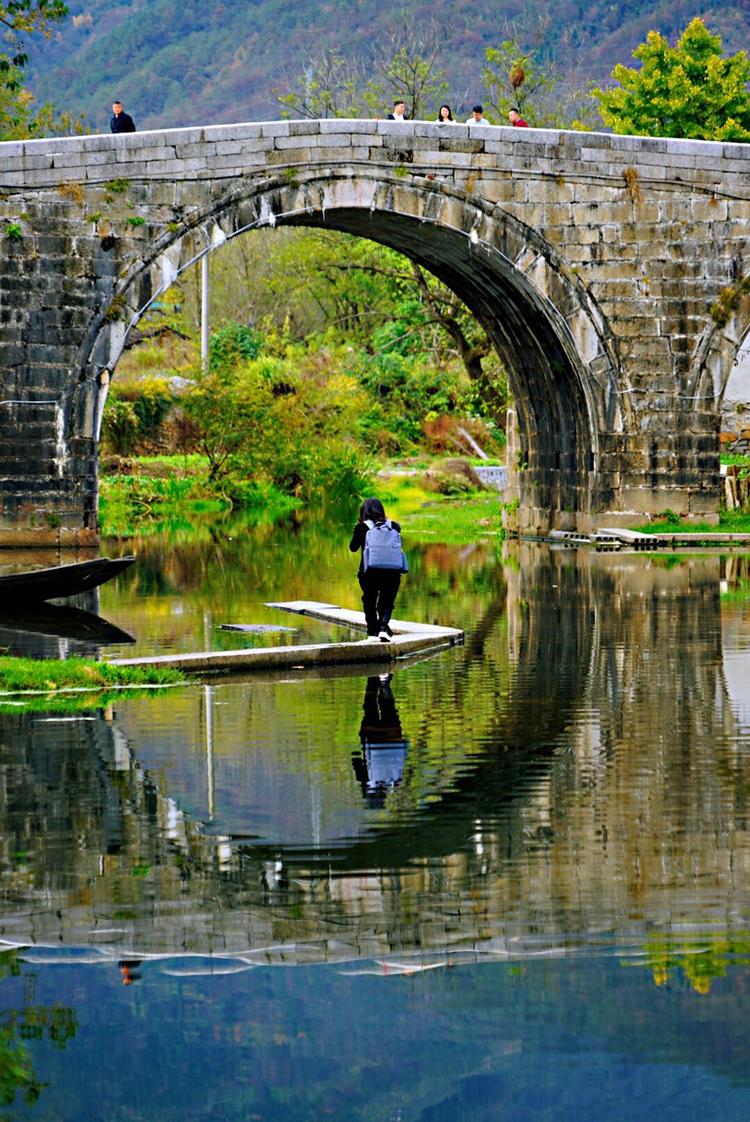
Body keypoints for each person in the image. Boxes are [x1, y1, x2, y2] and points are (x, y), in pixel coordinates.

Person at [349, 497, 403, 642]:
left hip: (369, 572)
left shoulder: (361, 527)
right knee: (387, 601)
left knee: (369, 600)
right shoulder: (394, 525)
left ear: (363, 511)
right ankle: (384, 628)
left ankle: (372, 632)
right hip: (392, 572)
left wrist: (359, 528)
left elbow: (353, 548)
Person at [352, 675, 409, 806]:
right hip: (372, 735)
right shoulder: (367, 781)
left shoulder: (396, 781)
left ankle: (385, 685)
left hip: (394, 733)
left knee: (389, 709)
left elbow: (405, 750)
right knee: (369, 707)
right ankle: (373, 679)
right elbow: (355, 760)